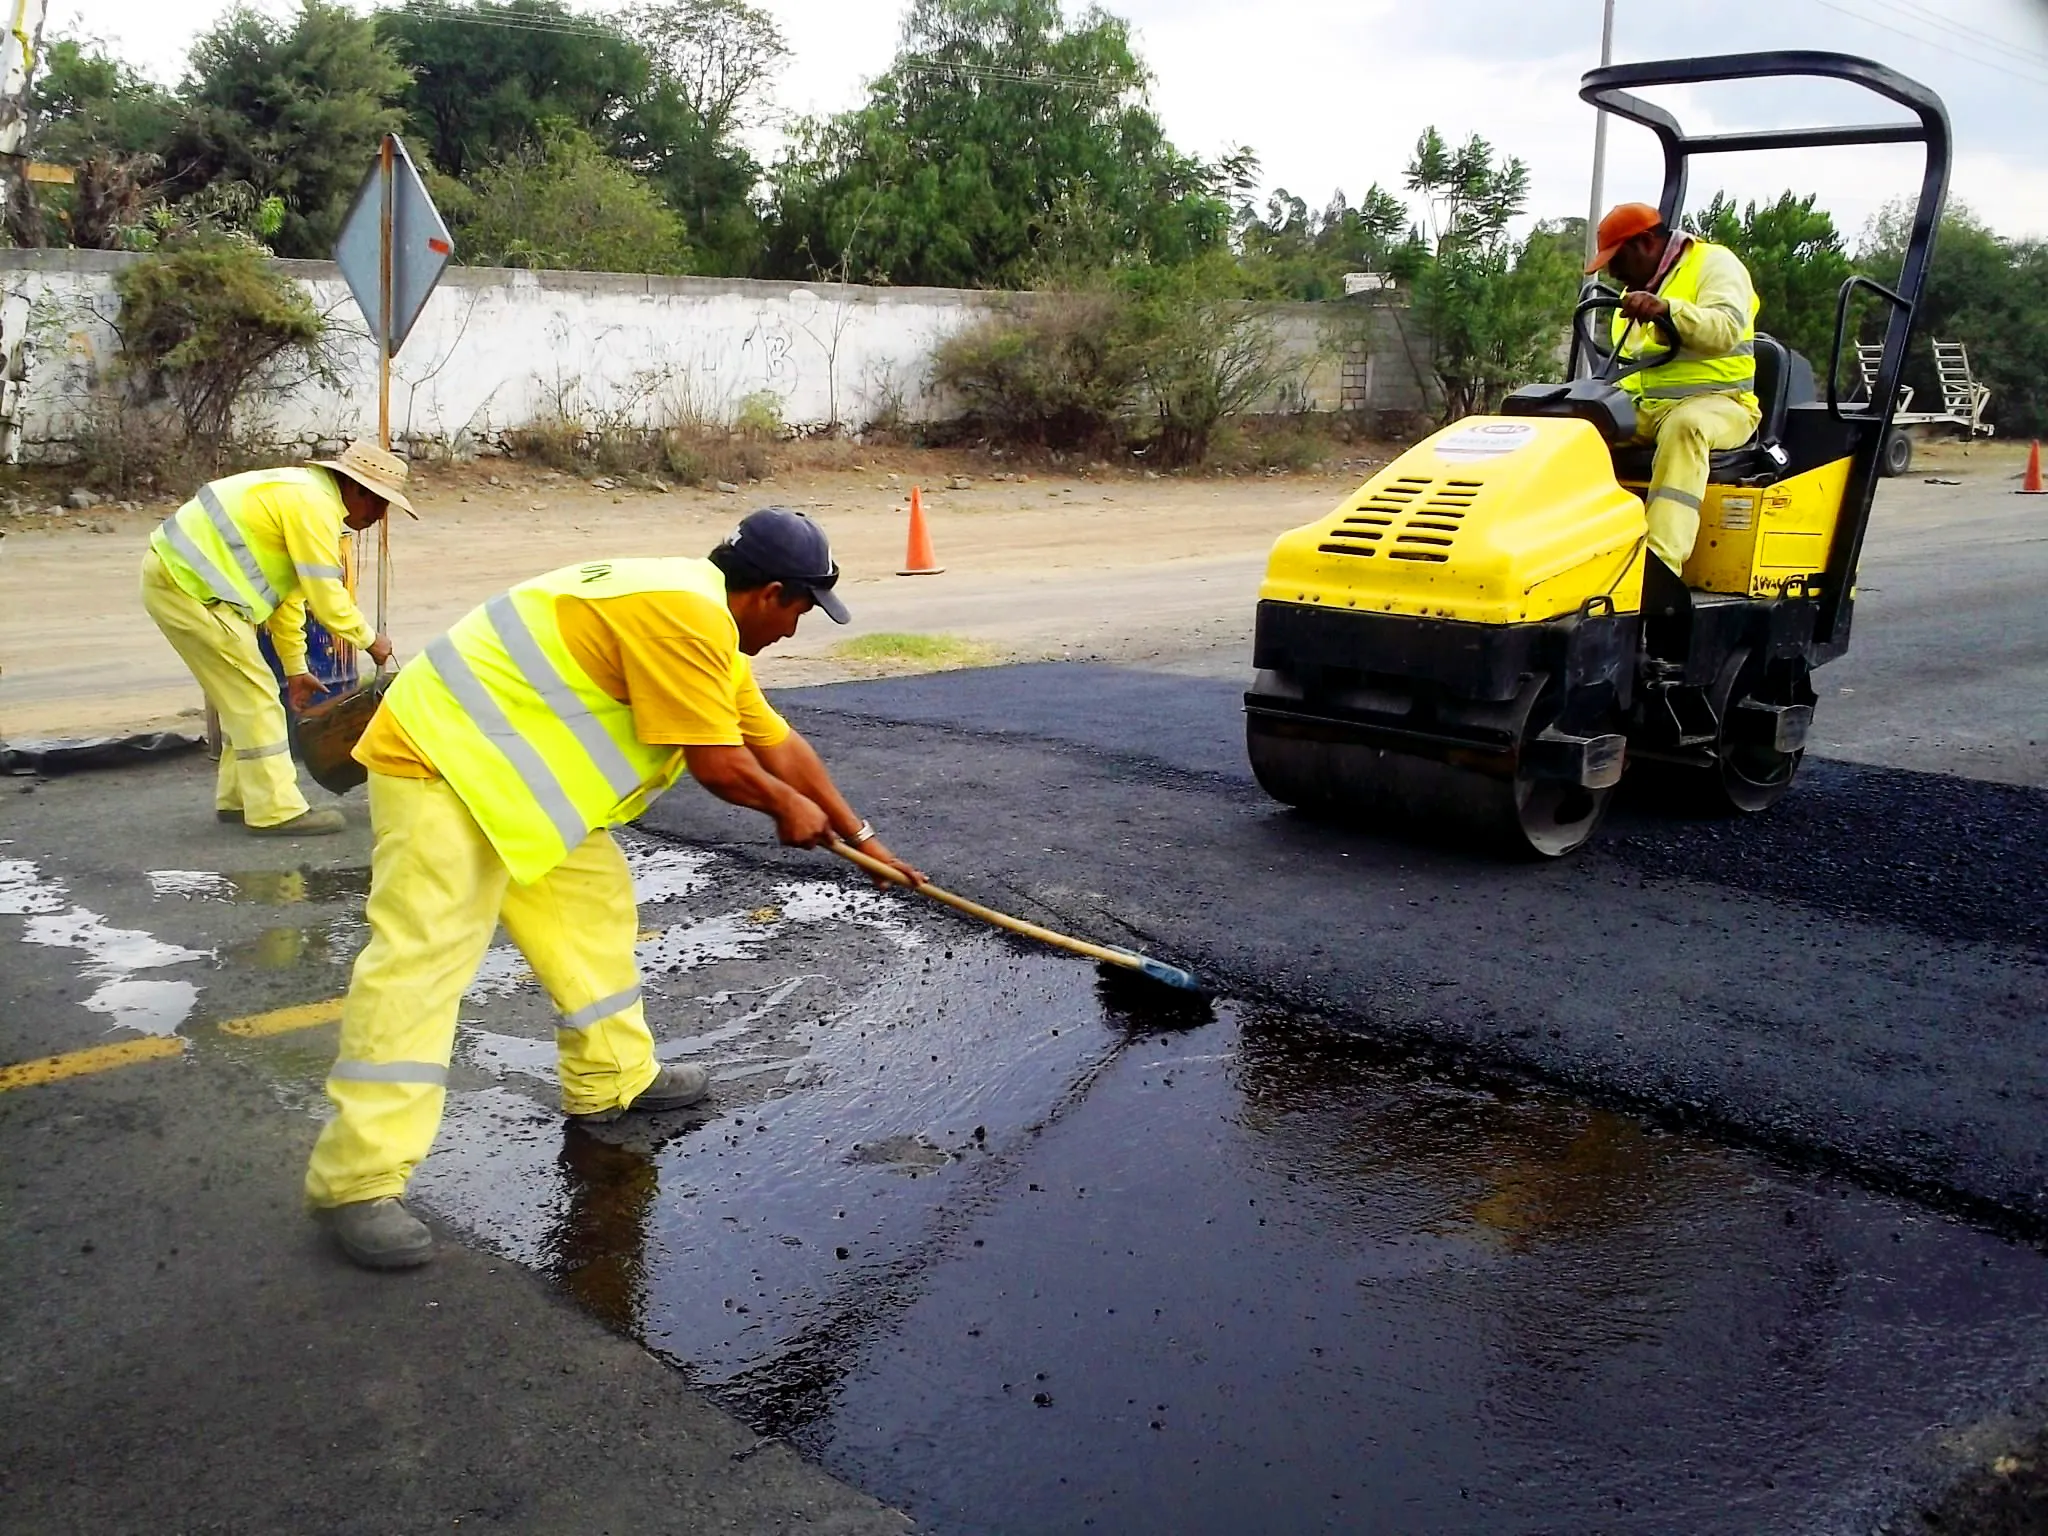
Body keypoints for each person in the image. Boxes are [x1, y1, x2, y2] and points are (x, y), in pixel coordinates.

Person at [304, 507, 924, 1271]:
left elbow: (776, 744)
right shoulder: (683, 616)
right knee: (420, 967)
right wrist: (785, 810)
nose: (795, 630)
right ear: (768, 592)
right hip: (442, 765)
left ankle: (614, 1078)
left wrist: (862, 839)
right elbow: (722, 766)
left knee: (594, 915)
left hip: (519, 789)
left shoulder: (703, 625)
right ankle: (358, 1182)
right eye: (799, 610)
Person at [141, 440, 406, 835]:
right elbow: (327, 600)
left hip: (183, 584)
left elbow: (289, 601)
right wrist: (371, 640)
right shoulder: (314, 507)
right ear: (357, 490)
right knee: (257, 695)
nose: (381, 515)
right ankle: (277, 810)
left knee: (241, 697)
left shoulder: (306, 498)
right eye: (380, 504)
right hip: (189, 588)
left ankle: (241, 798)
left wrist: (297, 669)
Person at [1585, 202, 1761, 578]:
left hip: (1722, 404)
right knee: (1576, 431)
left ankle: (1658, 569)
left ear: (1646, 242)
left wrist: (1669, 311)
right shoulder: (1637, 292)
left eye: (1617, 259)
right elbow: (1634, 370)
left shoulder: (1716, 264)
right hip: (1648, 407)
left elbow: (1726, 329)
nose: (1613, 272)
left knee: (1685, 428)